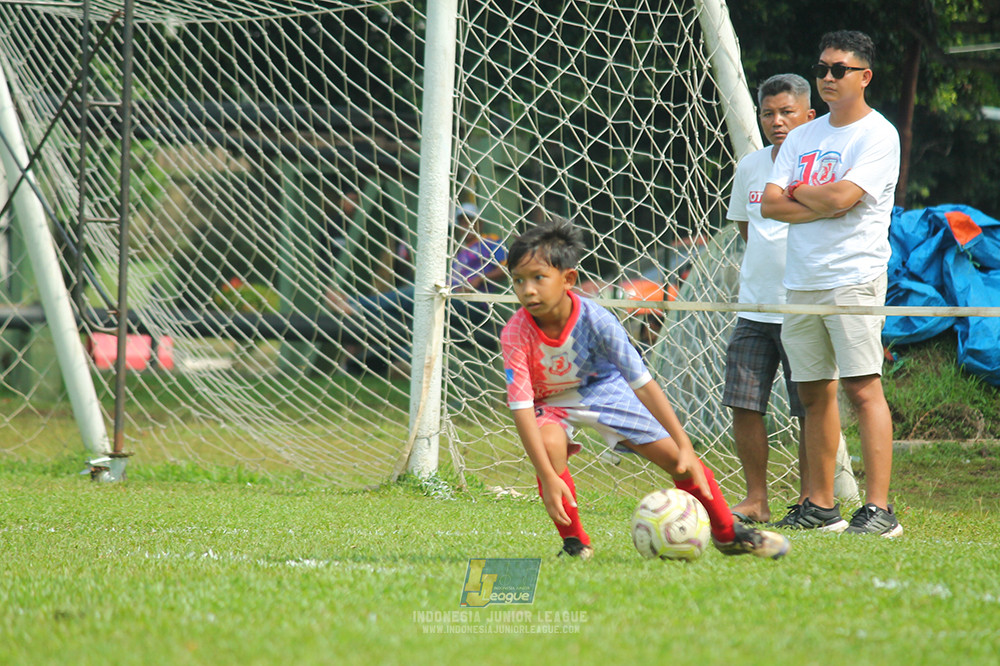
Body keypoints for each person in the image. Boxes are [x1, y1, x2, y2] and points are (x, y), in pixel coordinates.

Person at [500, 218, 790, 560]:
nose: (527, 290)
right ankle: (576, 543)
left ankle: (728, 534)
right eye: (518, 281)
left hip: (604, 390)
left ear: (568, 279)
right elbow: (521, 409)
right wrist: (547, 477)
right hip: (549, 401)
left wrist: (685, 445)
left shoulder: (596, 320)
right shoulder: (516, 333)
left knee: (681, 465)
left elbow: (643, 385)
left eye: (538, 278)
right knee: (548, 447)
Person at [761, 30, 902, 537]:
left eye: (838, 69)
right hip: (802, 279)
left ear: (864, 76)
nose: (826, 77)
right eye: (821, 68)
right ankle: (820, 506)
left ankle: (879, 510)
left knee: (863, 388)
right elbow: (771, 205)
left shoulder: (878, 134)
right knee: (813, 393)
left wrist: (804, 192)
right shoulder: (802, 136)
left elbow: (846, 197)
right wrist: (814, 196)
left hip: (854, 276)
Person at [723, 73, 858, 525]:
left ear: (809, 115)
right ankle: (755, 498)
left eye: (787, 112)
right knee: (744, 401)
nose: (777, 122)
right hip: (754, 307)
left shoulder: (824, 166)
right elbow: (749, 230)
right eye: (768, 113)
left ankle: (810, 498)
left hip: (803, 303)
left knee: (810, 407)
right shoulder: (750, 168)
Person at [340, 202, 506, 374]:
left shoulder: (489, 242)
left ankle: (355, 305)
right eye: (462, 222)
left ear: (480, 223)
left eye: (471, 221)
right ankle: (387, 360)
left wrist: (481, 279)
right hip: (451, 300)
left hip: (472, 304)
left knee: (418, 295)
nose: (466, 226)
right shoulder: (458, 249)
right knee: (409, 314)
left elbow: (506, 267)